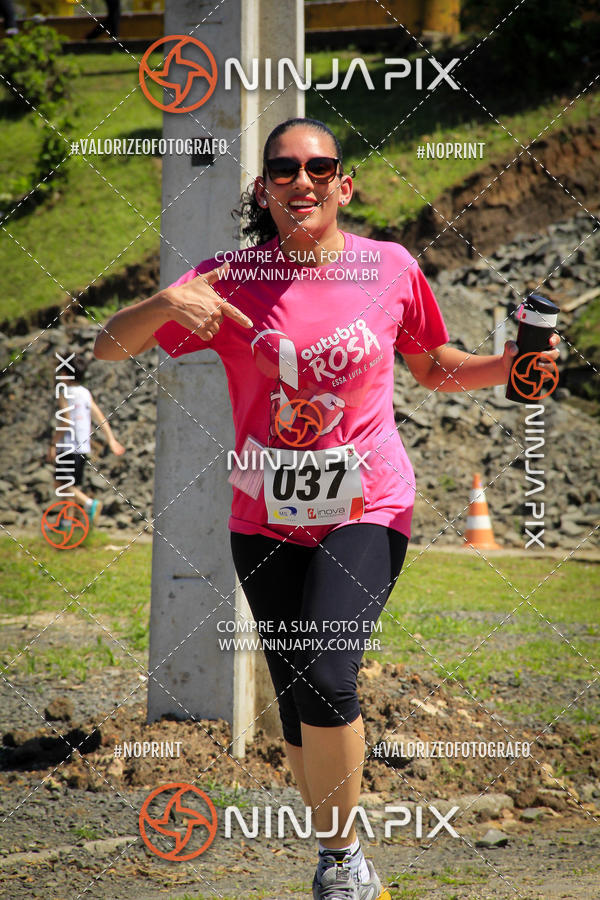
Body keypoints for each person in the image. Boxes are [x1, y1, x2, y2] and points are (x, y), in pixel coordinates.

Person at [93, 117, 560, 900]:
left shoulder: (390, 267)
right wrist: (166, 299)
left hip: (367, 503)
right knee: (298, 699)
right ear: (266, 189)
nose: (301, 181)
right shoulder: (229, 277)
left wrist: (511, 367)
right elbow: (109, 346)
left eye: (319, 168)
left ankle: (342, 864)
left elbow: (436, 370)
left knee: (329, 669)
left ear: (343, 185)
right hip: (264, 516)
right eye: (283, 169)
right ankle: (335, 851)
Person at [47, 355, 125, 524]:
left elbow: (65, 419)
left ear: (66, 374)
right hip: (82, 448)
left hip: (67, 446)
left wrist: (53, 443)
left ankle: (90, 504)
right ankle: (67, 523)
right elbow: (99, 417)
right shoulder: (85, 393)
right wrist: (111, 439)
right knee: (70, 487)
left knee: (61, 484)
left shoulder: (63, 393)